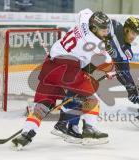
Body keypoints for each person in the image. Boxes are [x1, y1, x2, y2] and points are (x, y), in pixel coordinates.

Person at [11, 9, 113, 149]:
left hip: (49, 66)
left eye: (107, 29)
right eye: (103, 29)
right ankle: (90, 130)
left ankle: (26, 134)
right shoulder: (95, 44)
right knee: (91, 99)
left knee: (43, 105)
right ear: (94, 28)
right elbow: (108, 64)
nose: (106, 32)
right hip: (68, 70)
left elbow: (85, 11)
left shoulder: (84, 20)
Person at [51, 16, 139, 144]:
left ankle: (66, 126)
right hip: (83, 60)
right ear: (126, 29)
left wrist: (130, 86)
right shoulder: (113, 27)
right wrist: (130, 86)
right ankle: (75, 127)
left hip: (90, 64)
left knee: (78, 93)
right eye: (133, 32)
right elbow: (121, 65)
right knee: (83, 95)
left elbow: (122, 68)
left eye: (136, 34)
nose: (134, 36)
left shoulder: (126, 49)